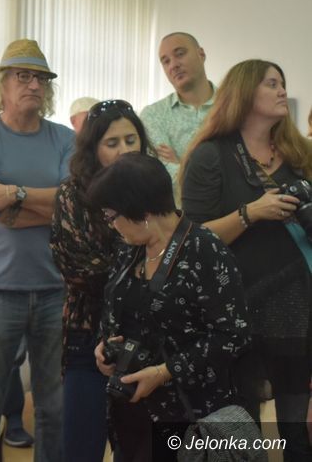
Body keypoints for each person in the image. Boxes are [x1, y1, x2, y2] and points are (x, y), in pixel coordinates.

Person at [181, 59, 312, 461]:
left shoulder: (299, 152)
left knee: (296, 429)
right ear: (243, 93)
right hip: (237, 309)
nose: (281, 90)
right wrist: (250, 213)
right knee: (243, 427)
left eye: (282, 82)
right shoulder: (210, 156)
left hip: (299, 307)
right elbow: (193, 239)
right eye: (271, 83)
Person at [89, 153, 250, 462]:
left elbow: (234, 335)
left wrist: (164, 372)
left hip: (191, 416)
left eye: (111, 216)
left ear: (140, 211)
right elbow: (116, 311)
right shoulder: (129, 251)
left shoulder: (204, 250)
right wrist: (105, 347)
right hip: (131, 410)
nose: (111, 225)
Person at [0, 39, 74, 462]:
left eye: (41, 78)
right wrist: (51, 205)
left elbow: (76, 208)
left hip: (55, 289)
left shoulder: (65, 138)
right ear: (2, 85)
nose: (34, 85)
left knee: (54, 409)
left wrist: (13, 193)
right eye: (23, 76)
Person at [50, 99, 152, 461]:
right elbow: (80, 269)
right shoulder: (72, 193)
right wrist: (142, 271)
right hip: (87, 331)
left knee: (138, 448)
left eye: (131, 140)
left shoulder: (152, 188)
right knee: (82, 446)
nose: (124, 150)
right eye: (112, 143)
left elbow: (172, 252)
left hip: (147, 337)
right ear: (94, 149)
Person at [140, 32, 215, 191]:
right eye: (166, 61)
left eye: (180, 54)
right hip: (179, 206)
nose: (173, 65)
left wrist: (180, 165)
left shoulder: (234, 106)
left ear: (201, 54)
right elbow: (161, 172)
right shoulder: (153, 115)